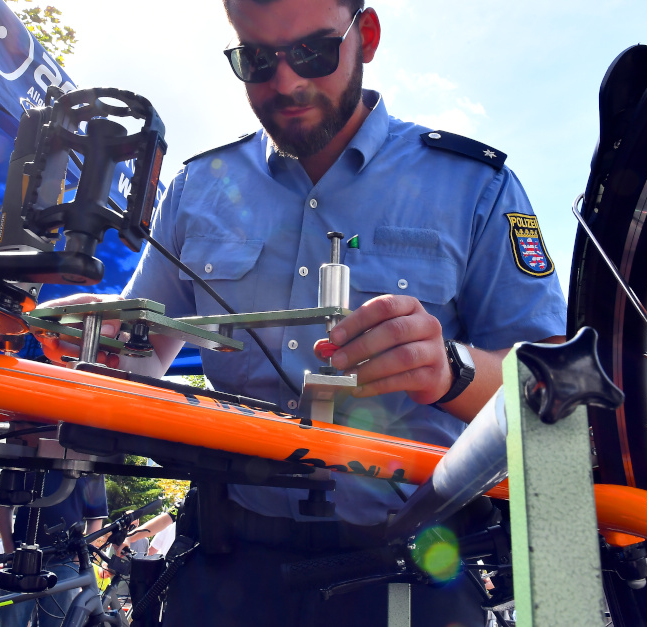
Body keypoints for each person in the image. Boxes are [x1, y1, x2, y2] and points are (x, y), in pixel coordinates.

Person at [42, 0, 567, 623]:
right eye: (256, 60)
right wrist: (105, 333)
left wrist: (448, 370)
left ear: (365, 36)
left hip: (410, 564)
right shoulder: (198, 186)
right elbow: (143, 355)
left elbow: (553, 395)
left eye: (314, 53)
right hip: (222, 559)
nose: (286, 82)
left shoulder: (477, 187)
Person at [0, 420, 109, 627]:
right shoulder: (26, 455)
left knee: (59, 622)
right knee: (10, 620)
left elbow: (96, 518)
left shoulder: (89, 465)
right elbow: (4, 506)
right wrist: (9, 549)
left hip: (64, 561)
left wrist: (78, 559)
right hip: (20, 558)